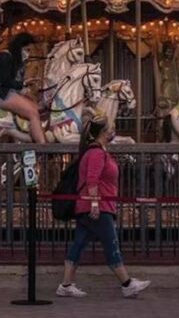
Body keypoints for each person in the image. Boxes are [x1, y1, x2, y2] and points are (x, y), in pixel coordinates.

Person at [57, 116, 150, 299]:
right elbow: (92, 180)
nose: (113, 131)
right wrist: (94, 203)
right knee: (111, 243)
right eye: (110, 128)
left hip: (91, 205)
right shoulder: (96, 154)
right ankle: (127, 283)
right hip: (98, 206)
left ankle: (66, 284)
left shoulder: (96, 152)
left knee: (79, 245)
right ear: (103, 132)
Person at [0, 32, 46, 144]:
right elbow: (4, 81)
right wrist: (22, 85)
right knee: (32, 113)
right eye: (27, 50)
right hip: (3, 95)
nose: (28, 54)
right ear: (20, 47)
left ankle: (29, 135)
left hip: (12, 93)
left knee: (38, 108)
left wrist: (25, 89)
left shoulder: (17, 61)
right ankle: (42, 146)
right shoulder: (5, 57)